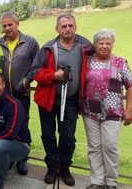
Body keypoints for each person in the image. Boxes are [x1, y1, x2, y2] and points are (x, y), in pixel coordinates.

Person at [31, 13, 94, 186]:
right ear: (57, 29)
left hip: (72, 100)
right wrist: (54, 75)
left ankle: (64, 167)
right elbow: (35, 72)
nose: (67, 29)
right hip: (48, 100)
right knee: (49, 135)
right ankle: (52, 167)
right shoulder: (48, 48)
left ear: (76, 27)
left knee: (67, 137)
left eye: (70, 25)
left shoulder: (85, 47)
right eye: (64, 26)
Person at [82, 29, 132, 189]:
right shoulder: (87, 61)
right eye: (101, 43)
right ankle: (97, 181)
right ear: (95, 44)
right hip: (89, 111)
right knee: (94, 147)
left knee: (110, 147)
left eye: (108, 43)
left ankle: (111, 182)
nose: (104, 46)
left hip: (113, 113)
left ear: (112, 45)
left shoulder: (120, 62)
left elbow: (130, 86)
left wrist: (129, 109)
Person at [0, 11, 39, 175]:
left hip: (22, 94)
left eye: (10, 25)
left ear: (17, 24)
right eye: (4, 26)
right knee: (5, 126)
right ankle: (8, 158)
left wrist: (26, 82)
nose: (7, 28)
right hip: (3, 95)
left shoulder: (30, 42)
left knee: (22, 126)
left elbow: (37, 65)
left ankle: (22, 159)